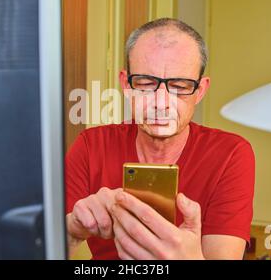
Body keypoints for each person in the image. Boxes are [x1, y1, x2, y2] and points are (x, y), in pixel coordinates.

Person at [65, 18, 255, 260]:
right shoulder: (91, 145)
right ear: (126, 84)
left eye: (179, 86)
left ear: (200, 91)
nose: (161, 102)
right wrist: (73, 230)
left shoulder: (231, 153)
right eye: (145, 84)